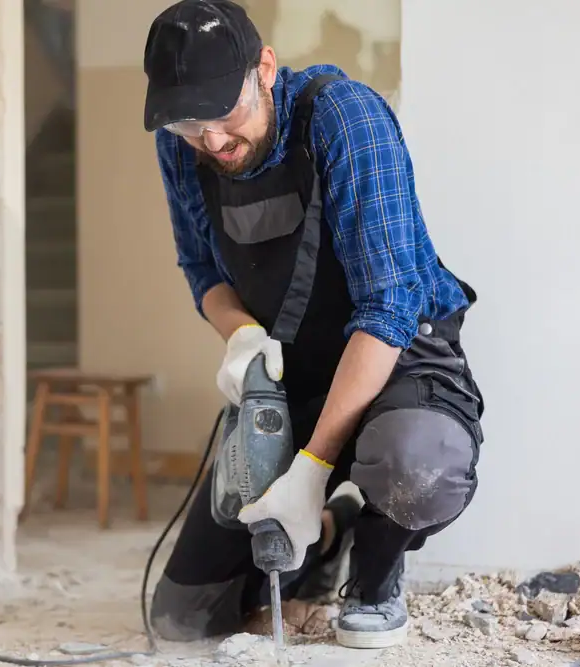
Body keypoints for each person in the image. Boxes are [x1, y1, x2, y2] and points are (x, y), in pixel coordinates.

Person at [143, 0, 485, 650]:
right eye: (191, 125)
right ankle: (330, 534)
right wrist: (241, 332)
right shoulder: (181, 145)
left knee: (417, 465)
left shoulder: (344, 118)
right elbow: (201, 271)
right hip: (294, 363)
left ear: (264, 68)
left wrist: (309, 468)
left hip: (401, 356)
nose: (211, 142)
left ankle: (376, 571)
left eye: (224, 115)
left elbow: (386, 308)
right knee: (182, 617)